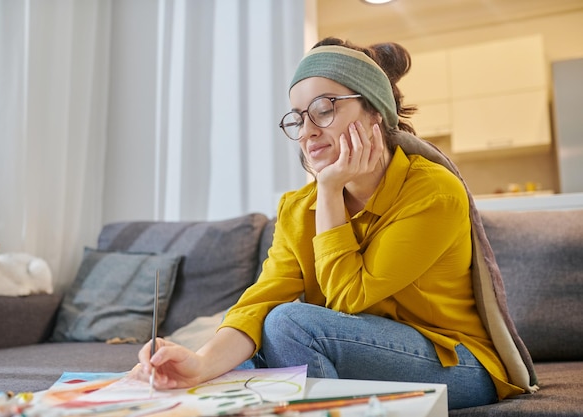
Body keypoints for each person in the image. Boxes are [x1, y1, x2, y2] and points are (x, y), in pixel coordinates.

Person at [135, 37, 537, 409]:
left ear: (375, 113)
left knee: (289, 325)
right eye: (297, 118)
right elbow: (260, 301)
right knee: (247, 357)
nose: (308, 131)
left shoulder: (432, 192)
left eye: (324, 110)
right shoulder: (298, 208)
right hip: (363, 353)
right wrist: (200, 364)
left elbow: (348, 298)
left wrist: (328, 193)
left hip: (459, 364)